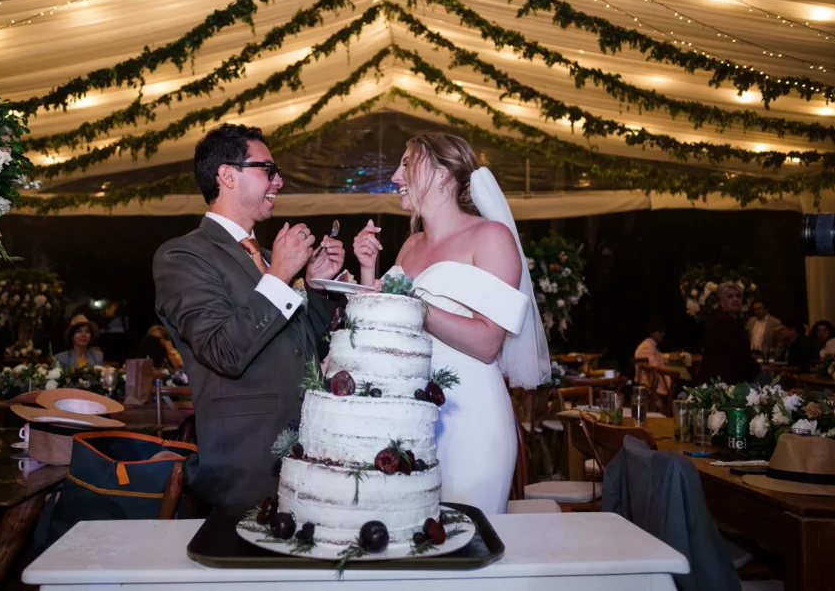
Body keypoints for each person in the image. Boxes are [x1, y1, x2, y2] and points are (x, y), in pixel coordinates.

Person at [352, 132, 550, 516]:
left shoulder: (490, 236)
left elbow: (488, 343)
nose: (395, 177)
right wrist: (367, 271)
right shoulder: (410, 245)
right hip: (411, 415)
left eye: (406, 164)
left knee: (468, 534)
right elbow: (386, 331)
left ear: (442, 173)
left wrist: (417, 306)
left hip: (470, 415)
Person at [153, 123, 344, 509]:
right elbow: (221, 350)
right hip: (246, 466)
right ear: (227, 175)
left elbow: (310, 348)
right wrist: (279, 276)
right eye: (268, 170)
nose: (279, 181)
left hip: (309, 455)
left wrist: (316, 287)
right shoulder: (183, 256)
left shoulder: (272, 260)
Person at [695, 282, 761, 385]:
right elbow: (738, 354)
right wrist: (758, 369)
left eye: (738, 296)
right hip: (721, 381)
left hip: (729, 377)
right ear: (722, 301)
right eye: (730, 296)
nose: (735, 299)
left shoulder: (734, 320)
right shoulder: (721, 321)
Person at [634, 319, 670, 395]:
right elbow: (655, 368)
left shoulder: (650, 346)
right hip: (650, 385)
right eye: (660, 331)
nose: (663, 334)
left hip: (653, 383)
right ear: (651, 333)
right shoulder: (646, 347)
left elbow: (659, 357)